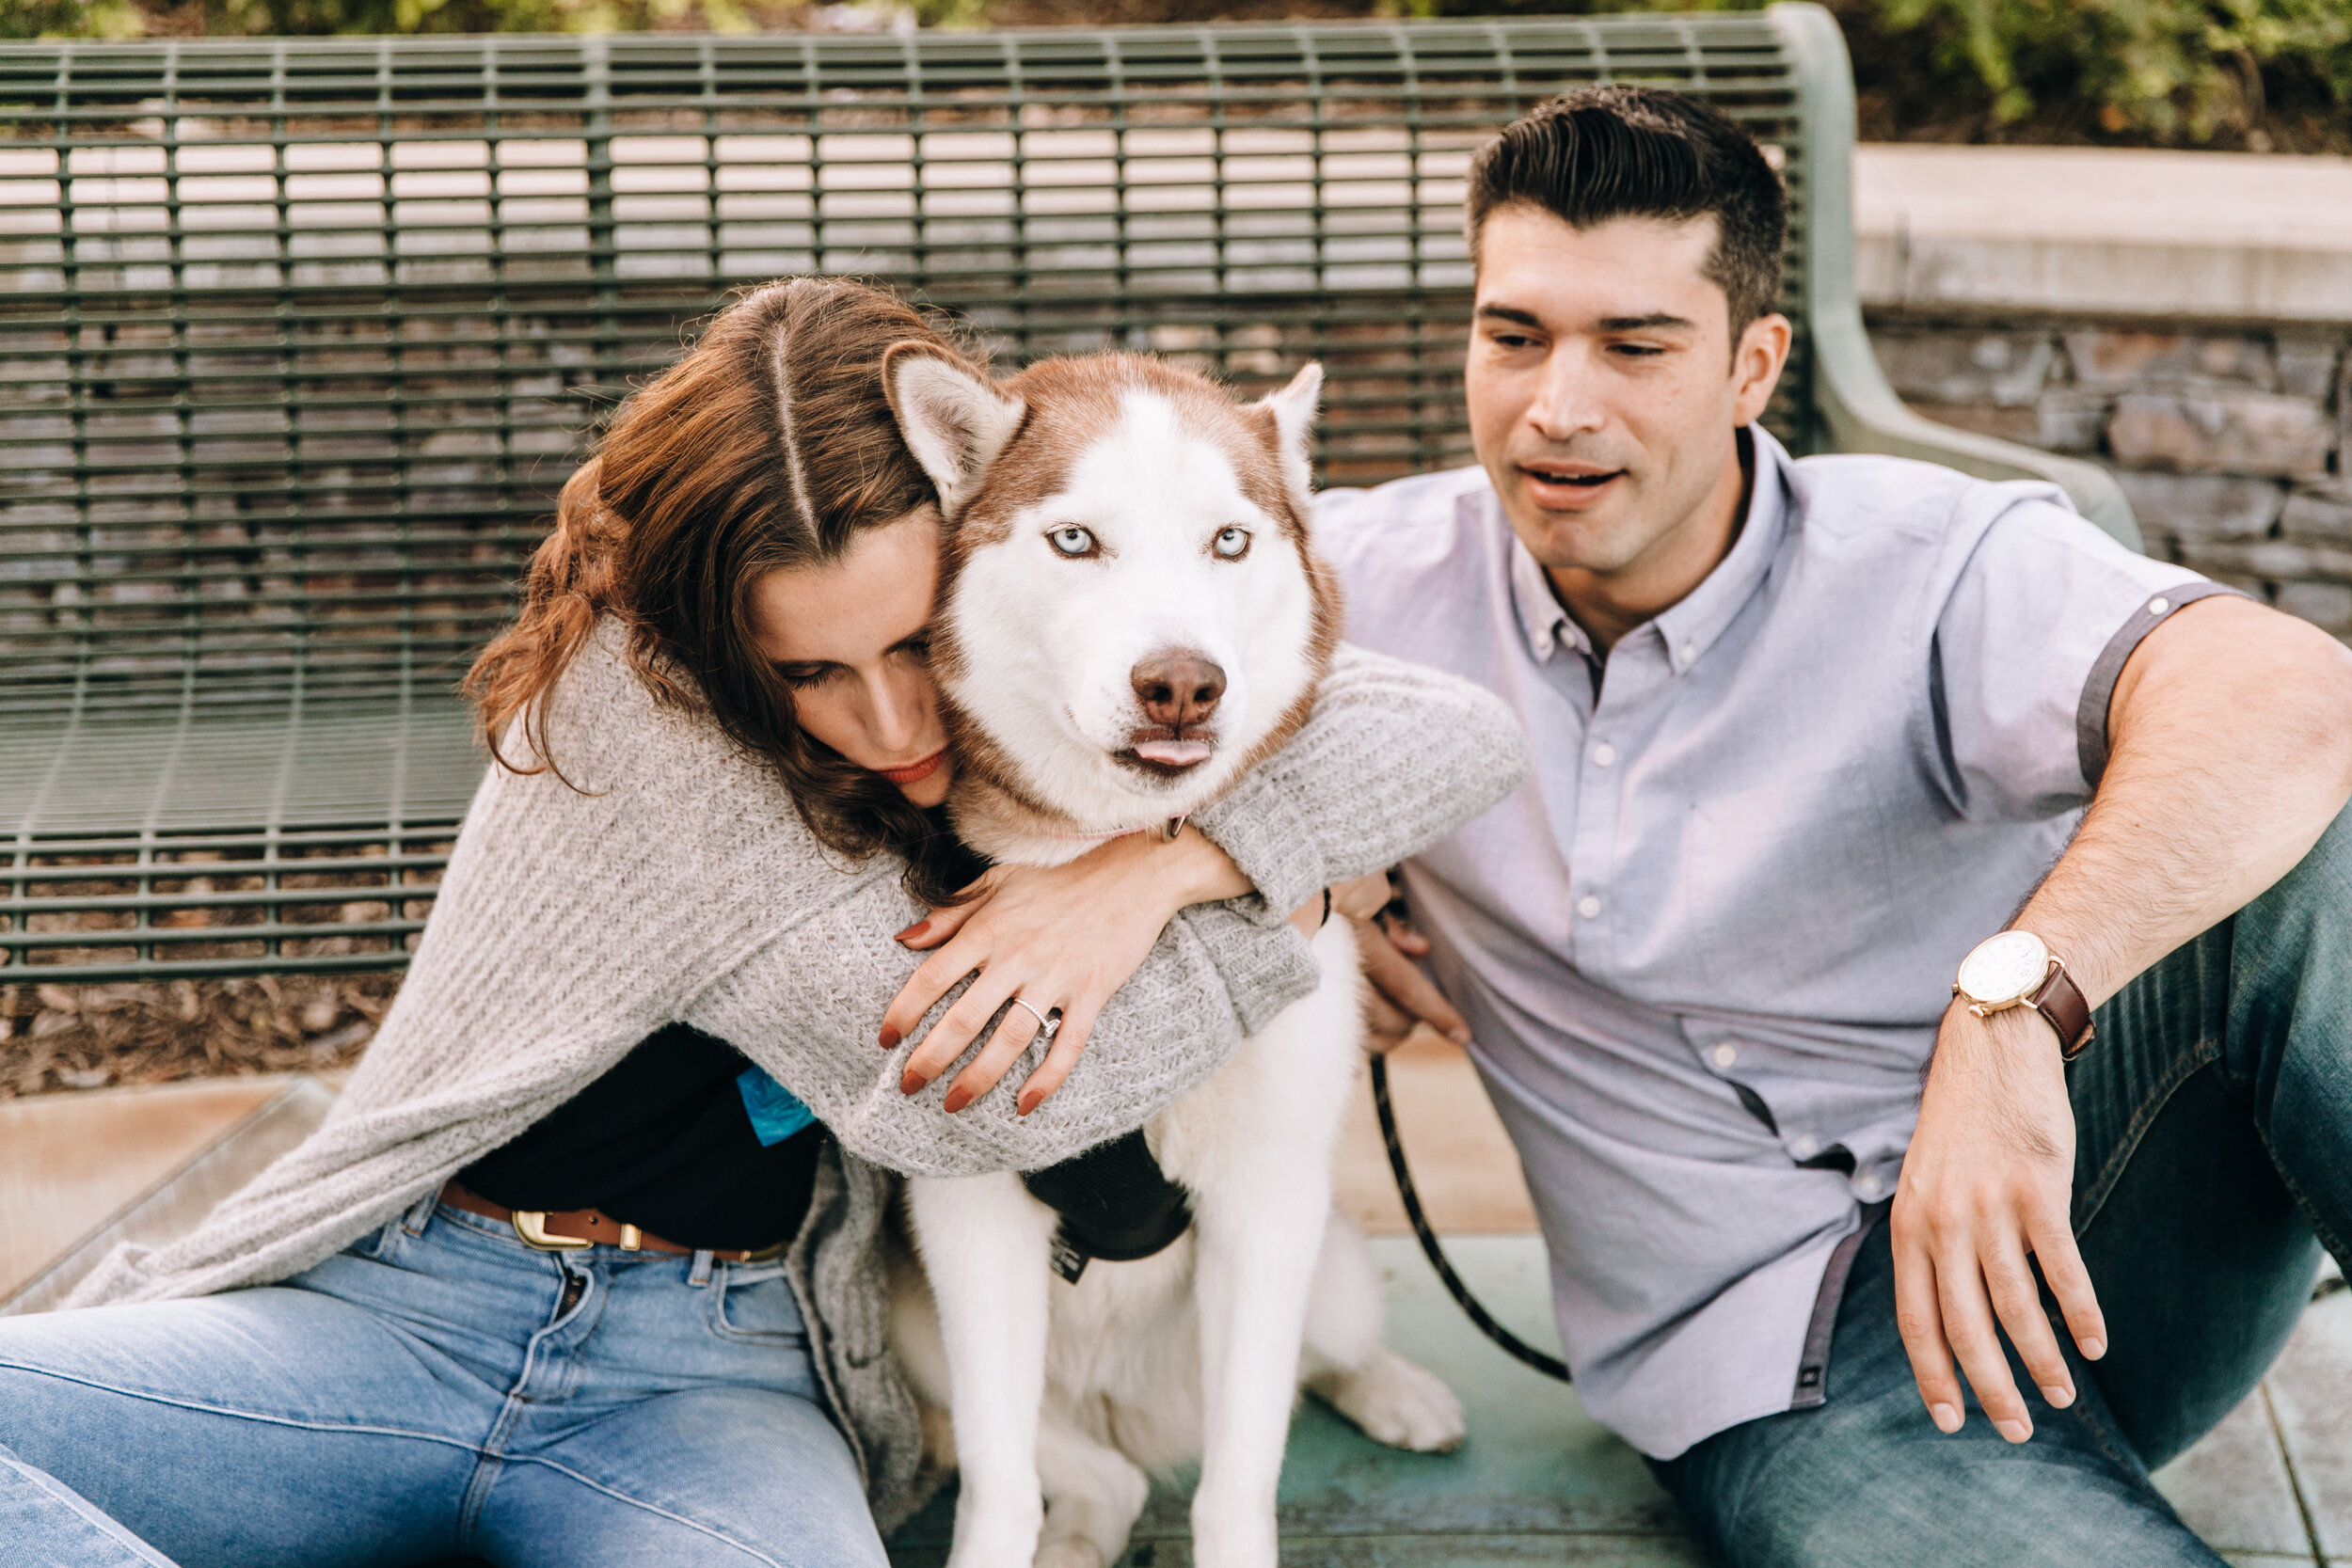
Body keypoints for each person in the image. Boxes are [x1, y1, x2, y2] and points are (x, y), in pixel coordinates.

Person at [0, 277, 1528, 1568]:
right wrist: (1296, 882)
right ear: (715, 638)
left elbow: (1446, 731)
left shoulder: (1044, 675)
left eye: (909, 645)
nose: (888, 721)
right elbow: (973, 1090)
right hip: (404, 1312)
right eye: (810, 675)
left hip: (719, 1371)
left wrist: (1169, 864)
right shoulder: (655, 729)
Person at [1324, 85, 2352, 1567]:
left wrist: (2009, 1013)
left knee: (2304, 846)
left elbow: (2293, 691)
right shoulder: (1359, 584)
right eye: (1514, 335)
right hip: (1772, 1369)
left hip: (2084, 1232)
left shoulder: (1923, 562)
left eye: (1634, 345)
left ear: (1753, 366)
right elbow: (1078, 628)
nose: (1557, 406)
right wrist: (1243, 876)